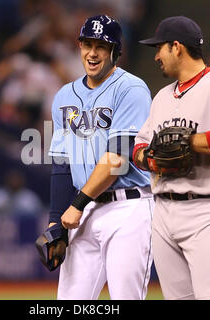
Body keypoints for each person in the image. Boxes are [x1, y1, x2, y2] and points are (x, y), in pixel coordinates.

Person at [133, 16, 210, 300]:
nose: (155, 56)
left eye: (160, 48)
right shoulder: (162, 97)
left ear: (177, 47)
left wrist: (189, 142)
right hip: (163, 209)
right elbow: (139, 145)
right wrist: (150, 159)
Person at [43, 15, 154, 300]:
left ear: (115, 51)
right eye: (87, 44)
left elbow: (117, 160)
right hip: (85, 212)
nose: (92, 53)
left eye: (101, 46)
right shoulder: (64, 95)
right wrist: (56, 223)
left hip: (128, 208)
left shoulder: (131, 89)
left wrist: (77, 204)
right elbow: (62, 163)